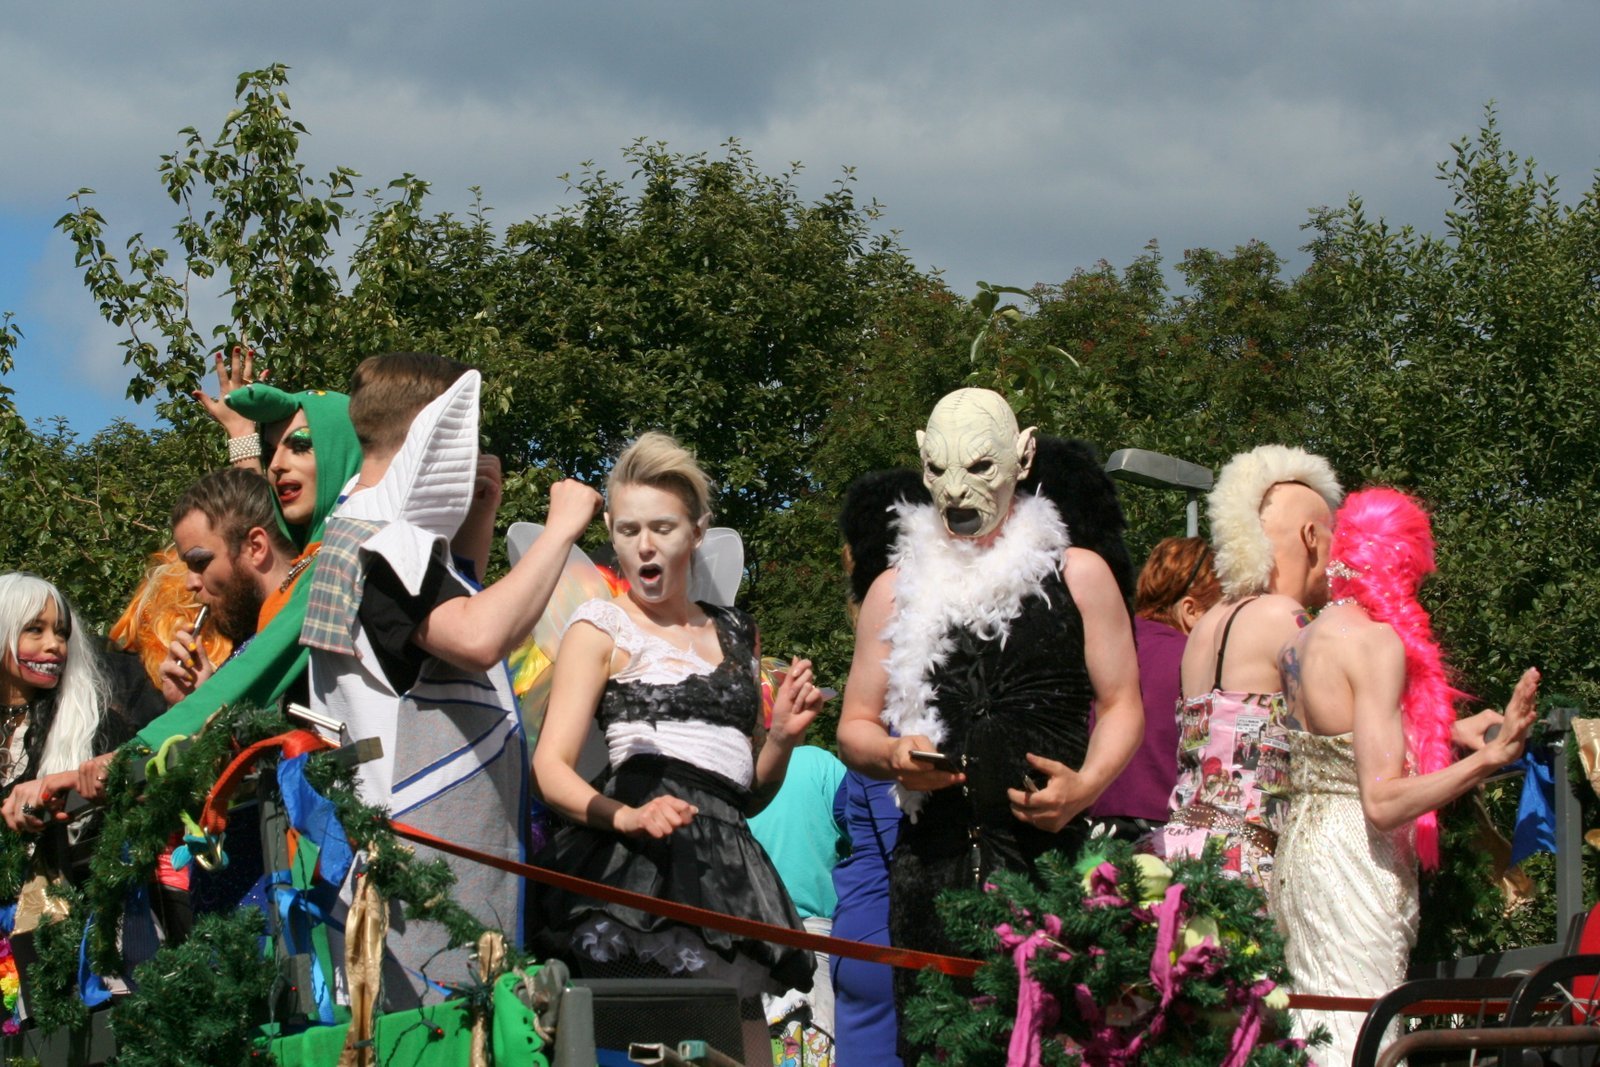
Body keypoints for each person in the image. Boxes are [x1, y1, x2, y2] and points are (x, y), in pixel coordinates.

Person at [835, 388, 1142, 1048]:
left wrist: (1085, 787)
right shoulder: (892, 589)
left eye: (979, 467)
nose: (956, 489)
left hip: (1053, 871)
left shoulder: (1080, 574)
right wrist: (892, 756)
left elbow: (1124, 703)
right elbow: (854, 726)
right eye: (939, 469)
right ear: (923, 462)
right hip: (931, 877)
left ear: (1023, 457)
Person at [300, 352, 602, 1007]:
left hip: (427, 879)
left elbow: (429, 634)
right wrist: (560, 531)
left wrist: (478, 517)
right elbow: (477, 636)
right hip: (415, 898)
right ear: (434, 434)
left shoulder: (362, 536)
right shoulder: (378, 546)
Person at [529, 432, 822, 1018]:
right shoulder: (599, 627)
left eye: (662, 528)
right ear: (610, 529)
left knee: (739, 1045)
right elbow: (549, 768)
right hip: (638, 871)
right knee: (645, 1042)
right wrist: (626, 816)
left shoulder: (738, 630)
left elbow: (745, 793)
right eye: (628, 529)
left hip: (731, 872)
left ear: (697, 532)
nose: (644, 546)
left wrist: (783, 737)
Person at [1272, 488, 1540, 1065]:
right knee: (1362, 1036)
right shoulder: (1376, 643)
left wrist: (1452, 731)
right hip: (1355, 859)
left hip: (1302, 850)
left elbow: (1346, 741)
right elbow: (1382, 801)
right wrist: (1488, 759)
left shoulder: (1299, 641)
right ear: (1402, 563)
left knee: (1317, 1026)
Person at [1149, 445, 1342, 887]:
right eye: (1334, 534)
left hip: (1181, 852)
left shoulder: (1205, 625)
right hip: (1243, 864)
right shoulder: (1284, 619)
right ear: (1311, 536)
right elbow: (1339, 733)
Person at [133, 385, 362, 746]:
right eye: (271, 452)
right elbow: (250, 517)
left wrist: (133, 754)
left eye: (300, 445)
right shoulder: (307, 561)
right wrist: (200, 702)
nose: (277, 465)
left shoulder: (348, 556)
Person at [0, 575, 148, 871]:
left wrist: (31, 807)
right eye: (35, 629)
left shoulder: (94, 726)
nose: (54, 645)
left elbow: (139, 789)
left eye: (61, 633)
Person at [1090, 536, 1221, 840]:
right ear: (1191, 610)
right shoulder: (1193, 660)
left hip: (1093, 825)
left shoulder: (1109, 645)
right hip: (1165, 833)